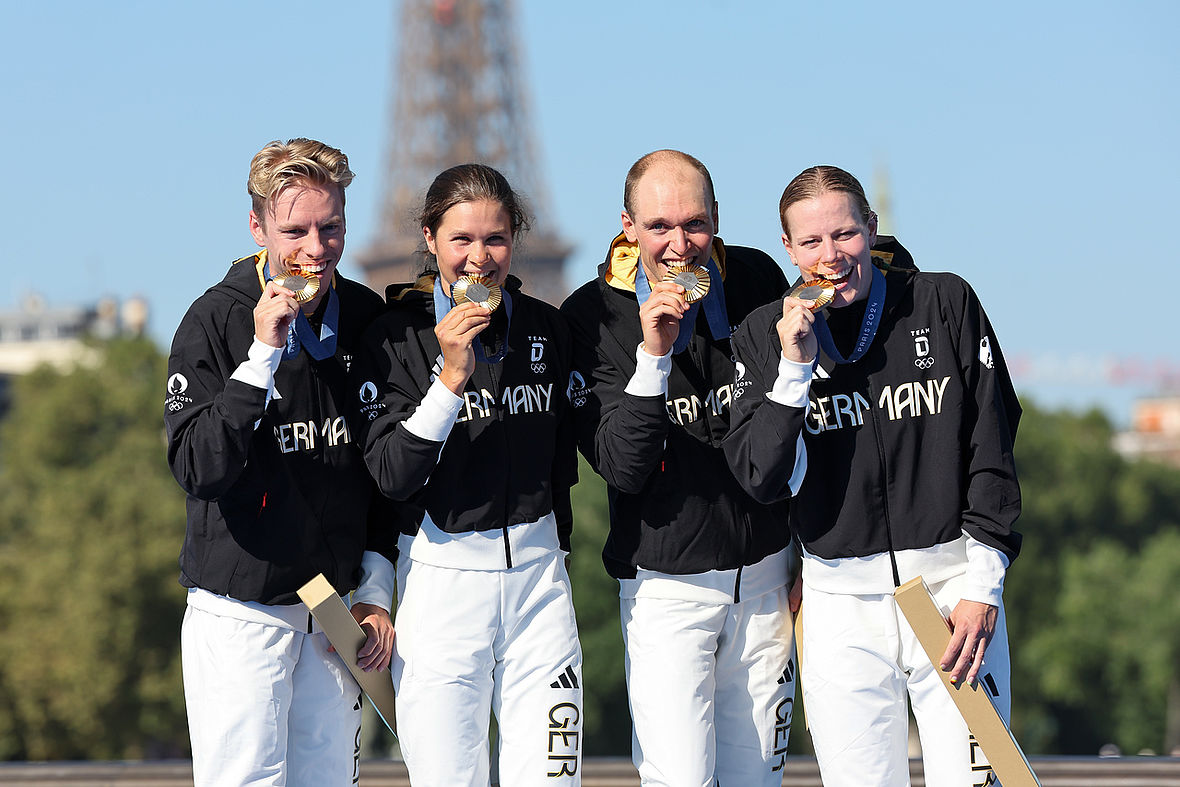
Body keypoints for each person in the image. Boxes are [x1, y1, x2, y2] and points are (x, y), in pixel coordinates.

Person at [724, 165, 1022, 786]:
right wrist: (793, 372)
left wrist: (984, 584)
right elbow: (762, 476)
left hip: (950, 596)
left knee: (986, 781)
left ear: (871, 227)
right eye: (811, 242)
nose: (831, 256)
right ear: (788, 248)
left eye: (845, 234)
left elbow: (992, 441)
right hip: (839, 607)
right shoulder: (763, 334)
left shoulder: (945, 301)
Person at [164, 138, 398, 786]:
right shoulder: (213, 320)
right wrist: (261, 357)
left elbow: (388, 480)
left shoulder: (367, 319)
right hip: (242, 609)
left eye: (331, 228)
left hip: (333, 611)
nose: (315, 249)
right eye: (295, 230)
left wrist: (375, 595)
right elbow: (197, 467)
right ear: (257, 226)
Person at [560, 150, 799, 786]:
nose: (678, 245)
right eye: (659, 226)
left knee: (759, 781)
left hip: (768, 577)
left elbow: (792, 428)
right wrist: (654, 356)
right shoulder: (590, 317)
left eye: (694, 224)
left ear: (717, 220)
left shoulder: (754, 278)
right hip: (668, 587)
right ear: (627, 226)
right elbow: (624, 468)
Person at [351, 163, 582, 786]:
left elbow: (568, 466)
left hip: (540, 589)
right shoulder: (393, 339)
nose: (479, 258)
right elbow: (392, 475)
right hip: (442, 591)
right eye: (461, 240)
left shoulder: (549, 329)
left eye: (496, 239)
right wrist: (450, 377)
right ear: (430, 239)